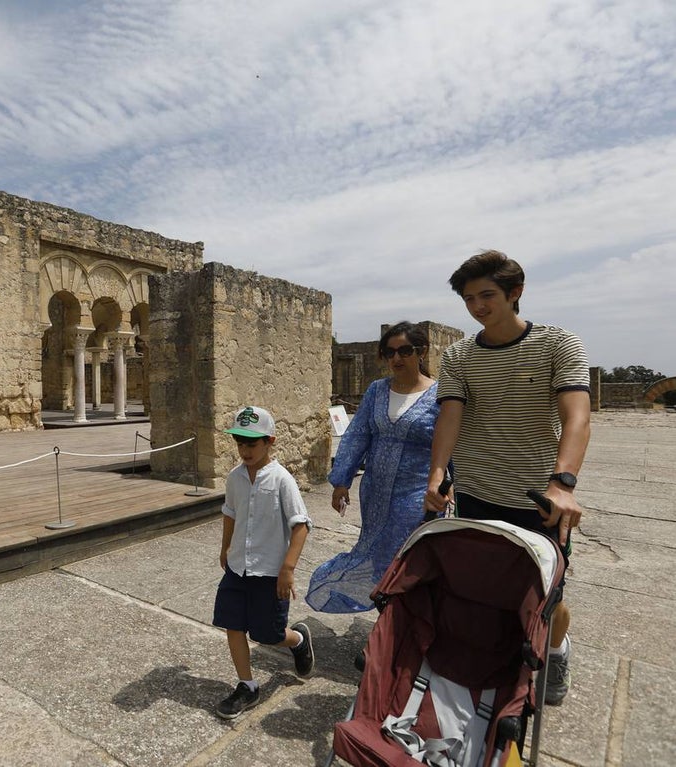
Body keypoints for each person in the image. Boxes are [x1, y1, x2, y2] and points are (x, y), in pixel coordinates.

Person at [424, 250, 590, 706]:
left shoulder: (558, 345)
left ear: (515, 293)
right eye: (469, 298)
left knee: (545, 596)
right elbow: (450, 419)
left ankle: (556, 648)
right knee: (487, 588)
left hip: (540, 498)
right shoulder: (458, 355)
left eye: (487, 295)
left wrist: (563, 483)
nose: (478, 306)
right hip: (478, 491)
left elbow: (576, 417)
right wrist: (438, 473)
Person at [306, 321, 439, 613]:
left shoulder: (440, 396)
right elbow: (357, 437)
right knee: (380, 560)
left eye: (405, 350)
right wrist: (342, 481)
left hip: (415, 498)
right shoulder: (377, 391)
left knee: (406, 564)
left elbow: (450, 445)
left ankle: (402, 632)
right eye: (389, 352)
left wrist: (451, 488)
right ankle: (390, 631)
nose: (396, 358)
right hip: (375, 495)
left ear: (422, 352)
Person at [213, 405, 315, 720]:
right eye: (240, 443)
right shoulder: (235, 478)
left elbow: (301, 525)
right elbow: (230, 513)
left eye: (252, 443)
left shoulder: (282, 480)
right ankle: (248, 685)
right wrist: (225, 548)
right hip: (238, 567)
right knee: (232, 624)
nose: (245, 449)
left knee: (267, 634)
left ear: (269, 442)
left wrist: (287, 570)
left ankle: (297, 640)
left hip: (269, 573)